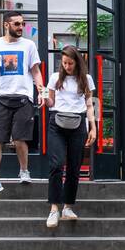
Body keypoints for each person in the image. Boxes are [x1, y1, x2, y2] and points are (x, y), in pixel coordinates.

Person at [0, 10, 45, 197]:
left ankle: (24, 170)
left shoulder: (29, 45)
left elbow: (35, 71)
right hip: (0, 97)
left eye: (22, 24)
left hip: (23, 97)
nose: (21, 27)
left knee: (20, 139)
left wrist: (41, 91)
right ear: (6, 25)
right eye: (17, 24)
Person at [44, 45, 97, 228]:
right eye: (64, 62)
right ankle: (53, 209)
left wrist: (93, 127)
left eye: (70, 63)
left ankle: (67, 207)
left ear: (77, 61)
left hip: (78, 124)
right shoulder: (54, 78)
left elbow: (90, 105)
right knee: (56, 164)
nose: (67, 66)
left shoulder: (86, 79)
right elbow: (51, 102)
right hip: (56, 123)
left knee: (74, 168)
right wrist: (44, 99)